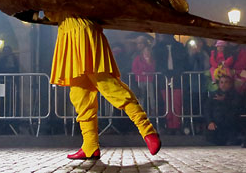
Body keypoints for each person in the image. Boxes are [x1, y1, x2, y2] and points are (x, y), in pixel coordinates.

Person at [47, 13, 161, 160]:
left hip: (83, 31)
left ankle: (147, 131)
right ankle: (90, 145)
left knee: (109, 87)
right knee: (80, 95)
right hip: (68, 34)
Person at [153, 34, 187, 134]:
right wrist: (166, 74)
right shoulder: (158, 48)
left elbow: (183, 62)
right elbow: (158, 62)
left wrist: (175, 73)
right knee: (166, 102)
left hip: (177, 77)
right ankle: (168, 125)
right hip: (164, 77)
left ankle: (176, 125)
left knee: (177, 102)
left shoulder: (179, 47)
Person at [205, 74, 241, 145]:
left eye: (226, 82)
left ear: (230, 84)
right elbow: (207, 109)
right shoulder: (214, 95)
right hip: (216, 122)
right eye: (221, 82)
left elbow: (236, 108)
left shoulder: (235, 95)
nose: (223, 84)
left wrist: (225, 100)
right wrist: (210, 122)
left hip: (230, 122)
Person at [132, 46, 156, 114]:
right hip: (140, 79)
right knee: (141, 96)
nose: (147, 52)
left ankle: (153, 110)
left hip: (149, 79)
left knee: (151, 96)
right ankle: (140, 110)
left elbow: (153, 69)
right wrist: (141, 72)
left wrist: (149, 63)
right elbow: (134, 69)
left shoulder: (152, 59)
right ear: (142, 51)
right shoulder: (138, 58)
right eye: (145, 51)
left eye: (148, 51)